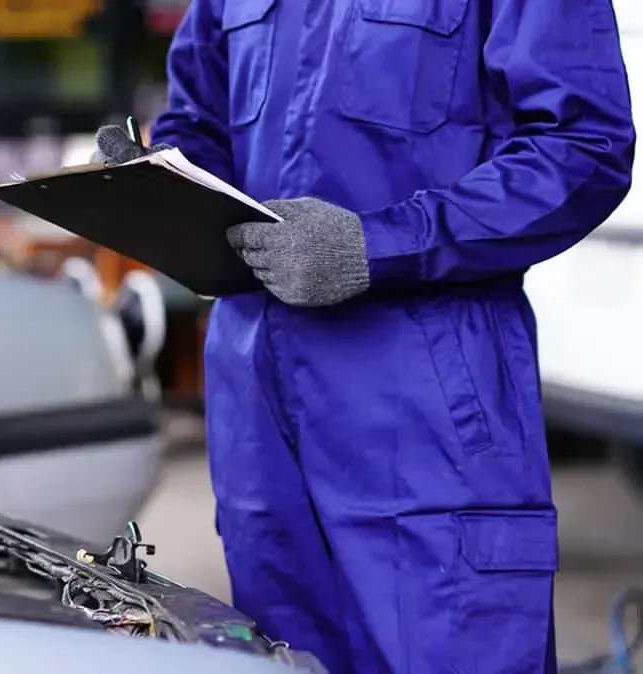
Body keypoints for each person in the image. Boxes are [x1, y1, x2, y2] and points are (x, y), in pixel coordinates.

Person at [94, 1, 634, 672]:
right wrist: (157, 182)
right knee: (286, 658)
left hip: (426, 412)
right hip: (260, 417)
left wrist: (376, 245)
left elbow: (582, 147)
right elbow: (199, 116)